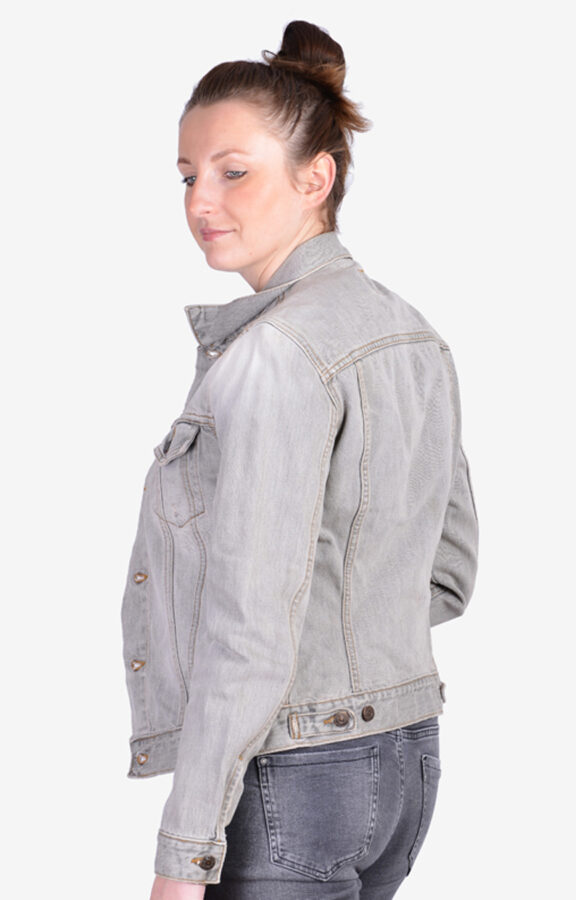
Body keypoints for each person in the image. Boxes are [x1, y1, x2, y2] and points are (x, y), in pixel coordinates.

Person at [120, 19, 479, 900]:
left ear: (316, 177)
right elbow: (449, 571)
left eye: (233, 172)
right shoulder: (413, 335)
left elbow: (247, 628)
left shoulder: (273, 358)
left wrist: (183, 855)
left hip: (289, 780)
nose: (201, 202)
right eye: (188, 176)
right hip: (405, 762)